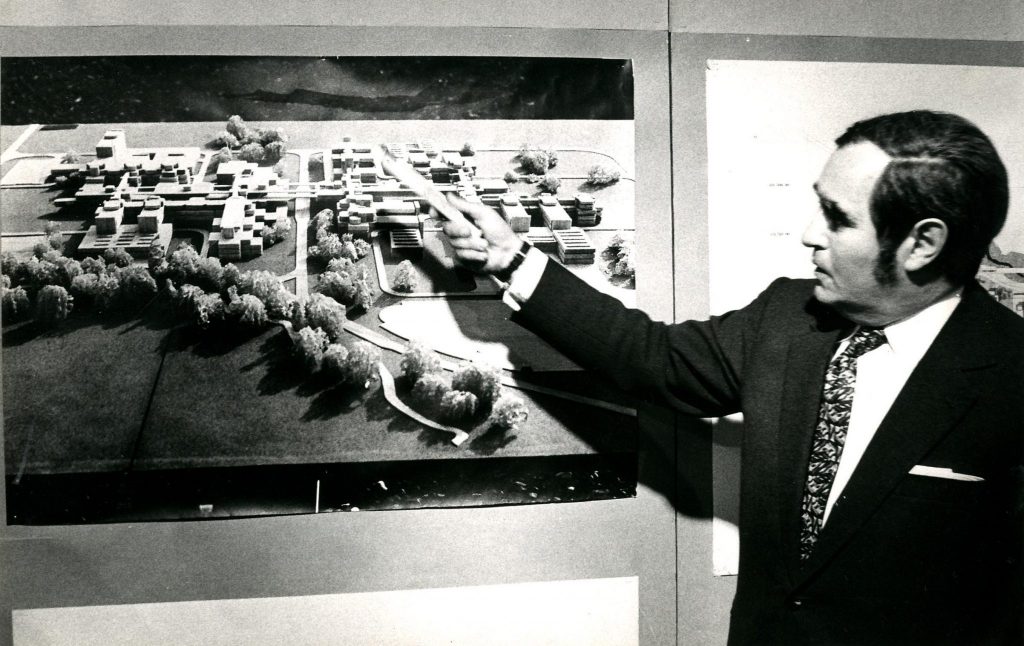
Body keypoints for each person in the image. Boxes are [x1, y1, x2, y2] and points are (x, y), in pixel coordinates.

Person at [440, 110, 1023, 645]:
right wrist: (512, 259)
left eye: (838, 220)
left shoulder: (1013, 375)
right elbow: (653, 358)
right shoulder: (787, 317)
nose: (809, 234)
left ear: (922, 244)